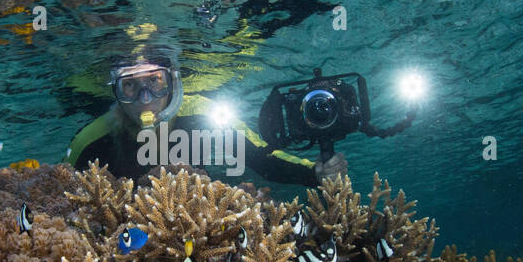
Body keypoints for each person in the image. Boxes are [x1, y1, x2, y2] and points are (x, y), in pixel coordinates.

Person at [65, 49, 348, 185]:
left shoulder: (203, 112)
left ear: (172, 82)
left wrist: (314, 172)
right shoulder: (88, 142)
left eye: (155, 82)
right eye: (130, 86)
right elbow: (59, 190)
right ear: (116, 92)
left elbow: (260, 157)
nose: (145, 98)